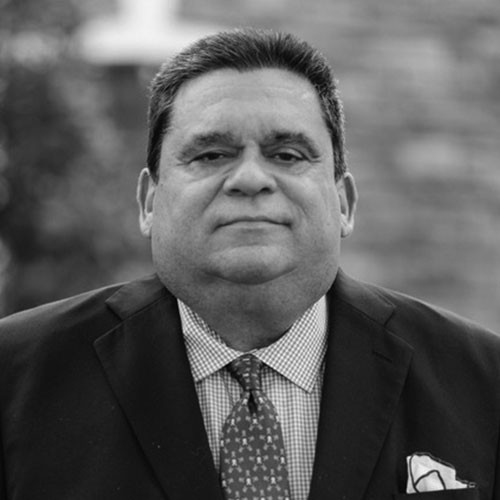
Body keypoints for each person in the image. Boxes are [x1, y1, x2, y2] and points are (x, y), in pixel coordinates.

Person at [0, 27, 499, 500]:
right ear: (150, 202)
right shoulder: (16, 378)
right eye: (211, 155)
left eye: (288, 154)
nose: (250, 179)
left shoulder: (482, 382)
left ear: (344, 203)